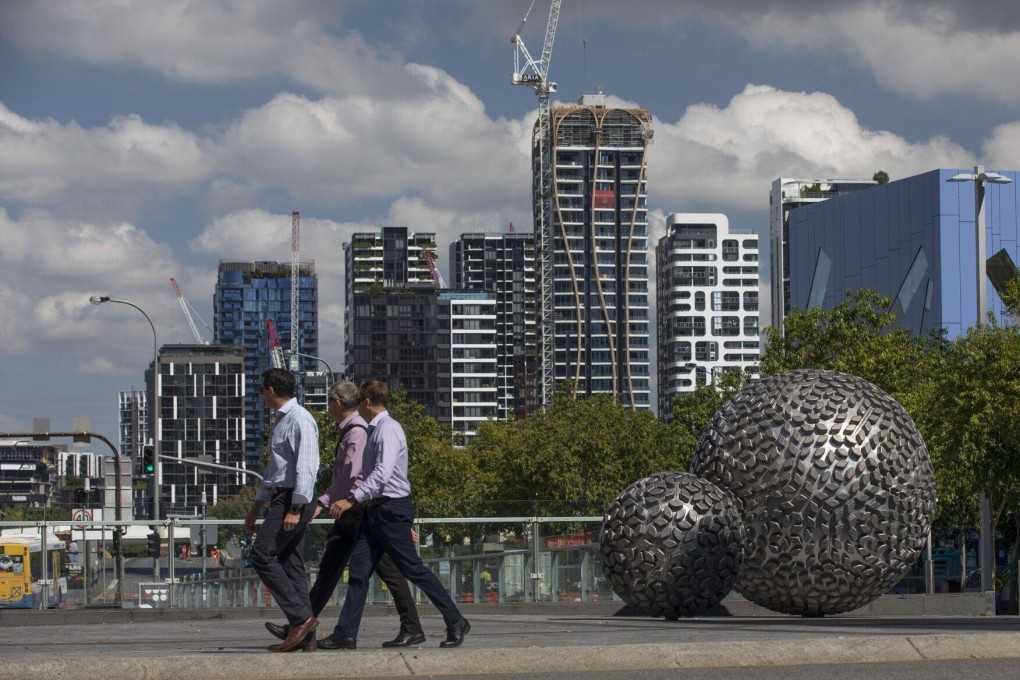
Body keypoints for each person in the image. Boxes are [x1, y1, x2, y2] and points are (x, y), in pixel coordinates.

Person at [265, 380, 425, 650]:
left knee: (387, 571)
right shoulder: (353, 430)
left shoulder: (358, 432)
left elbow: (352, 476)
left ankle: (409, 627)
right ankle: (302, 623)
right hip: (351, 510)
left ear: (337, 403)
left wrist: (322, 502)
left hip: (357, 510)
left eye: (328, 401)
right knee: (331, 569)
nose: (327, 407)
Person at [330, 379, 470, 648]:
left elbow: (381, 474)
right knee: (359, 572)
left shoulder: (388, 430)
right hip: (376, 512)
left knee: (413, 570)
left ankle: (455, 620)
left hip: (390, 510)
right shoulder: (376, 429)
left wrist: (351, 499)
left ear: (367, 402)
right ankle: (345, 633)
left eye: (359, 401)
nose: (358, 407)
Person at [244, 368, 320, 653]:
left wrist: (296, 507)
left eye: (263, 391)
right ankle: (307, 636)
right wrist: (256, 508)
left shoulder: (300, 419)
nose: (262, 396)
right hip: (283, 496)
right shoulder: (280, 420)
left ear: (271, 390)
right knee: (290, 562)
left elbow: (307, 466)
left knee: (262, 554)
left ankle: (301, 619)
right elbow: (274, 470)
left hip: (293, 498)